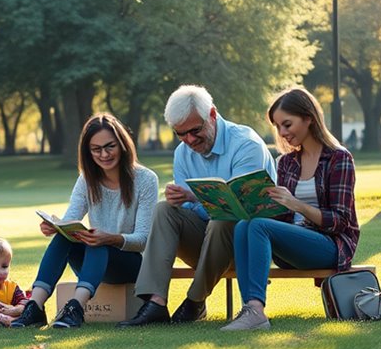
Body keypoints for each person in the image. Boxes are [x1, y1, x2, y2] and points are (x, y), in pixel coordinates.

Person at [118, 85, 276, 327]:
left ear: (212, 115)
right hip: (206, 245)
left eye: (195, 130)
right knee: (164, 209)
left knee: (225, 217)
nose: (189, 140)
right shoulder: (183, 153)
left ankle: (195, 300)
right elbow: (190, 212)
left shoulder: (246, 145)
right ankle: (155, 302)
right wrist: (181, 200)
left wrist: (194, 197)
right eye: (180, 133)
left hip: (246, 248)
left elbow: (247, 211)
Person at [222, 87, 359, 330]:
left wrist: (296, 204)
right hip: (293, 246)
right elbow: (283, 218)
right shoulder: (286, 163)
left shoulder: (339, 159)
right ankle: (252, 309)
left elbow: (340, 221)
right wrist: (255, 204)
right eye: (278, 127)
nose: (282, 133)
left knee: (259, 227)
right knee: (245, 224)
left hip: (330, 245)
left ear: (308, 118)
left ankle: (255, 312)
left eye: (287, 124)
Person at [12, 113, 159, 329]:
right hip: (93, 264)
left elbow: (143, 239)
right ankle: (35, 306)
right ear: (88, 152)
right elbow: (72, 219)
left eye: (110, 146)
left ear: (123, 145)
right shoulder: (86, 180)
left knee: (97, 242)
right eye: (96, 149)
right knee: (66, 240)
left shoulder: (146, 180)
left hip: (132, 264)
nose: (104, 154)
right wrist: (56, 227)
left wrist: (110, 238)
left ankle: (76, 308)